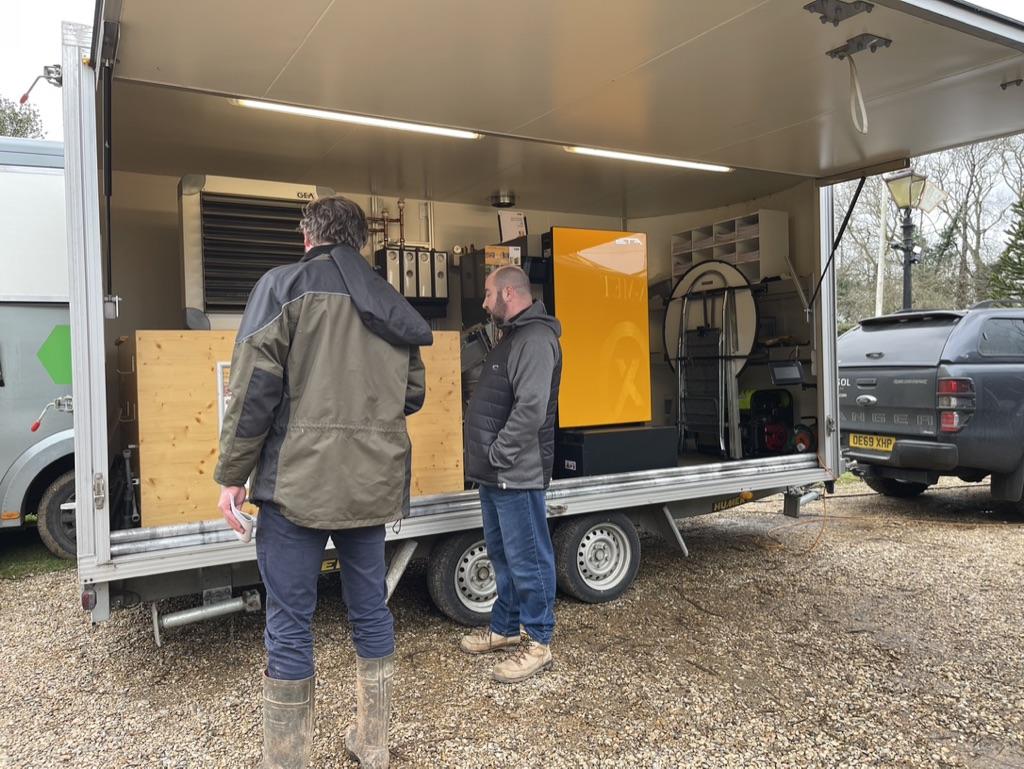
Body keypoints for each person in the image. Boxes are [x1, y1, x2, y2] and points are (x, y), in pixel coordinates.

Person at [214, 195, 432, 769]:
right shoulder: (389, 299)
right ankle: (374, 745)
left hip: (297, 488)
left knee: (289, 619)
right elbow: (413, 393)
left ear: (308, 236)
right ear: (361, 241)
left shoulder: (283, 286)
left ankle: (288, 759)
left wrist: (232, 476)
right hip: (371, 486)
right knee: (370, 610)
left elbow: (254, 390)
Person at [460, 265, 563, 683]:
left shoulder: (536, 340)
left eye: (487, 295)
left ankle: (539, 643)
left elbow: (531, 410)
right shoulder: (512, 336)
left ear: (507, 293)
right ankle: (505, 629)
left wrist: (499, 452)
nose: (484, 303)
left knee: (529, 559)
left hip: (515, 471)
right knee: (502, 556)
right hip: (496, 473)